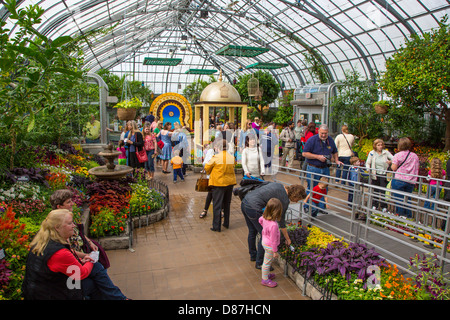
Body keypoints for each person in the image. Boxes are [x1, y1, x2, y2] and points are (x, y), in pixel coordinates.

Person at [21, 209, 128, 300]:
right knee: (94, 281)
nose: (73, 226)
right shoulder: (59, 253)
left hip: (43, 288)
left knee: (96, 272)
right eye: (69, 223)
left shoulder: (44, 241)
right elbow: (81, 273)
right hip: (52, 293)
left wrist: (83, 259)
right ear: (57, 227)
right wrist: (90, 259)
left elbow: (65, 265)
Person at [240, 182, 306, 269]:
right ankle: (260, 262)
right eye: (298, 199)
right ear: (295, 195)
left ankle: (253, 255)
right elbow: (281, 222)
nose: (297, 201)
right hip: (253, 207)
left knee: (252, 231)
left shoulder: (279, 185)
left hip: (245, 201)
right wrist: (288, 238)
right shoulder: (284, 200)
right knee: (265, 236)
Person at [204, 138, 237, 232]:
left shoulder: (216, 157)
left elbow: (207, 167)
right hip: (230, 183)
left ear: (218, 147)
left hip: (218, 183)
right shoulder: (231, 157)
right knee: (227, 204)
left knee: (217, 205)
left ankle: (216, 226)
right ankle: (226, 223)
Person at [302, 124, 342, 192]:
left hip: (325, 168)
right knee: (312, 188)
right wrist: (317, 157)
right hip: (313, 168)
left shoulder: (330, 140)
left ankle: (322, 202)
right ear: (318, 132)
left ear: (328, 132)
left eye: (325, 133)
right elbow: (304, 153)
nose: (323, 135)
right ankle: (309, 202)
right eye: (322, 133)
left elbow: (335, 151)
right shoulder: (312, 140)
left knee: (324, 188)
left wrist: (337, 160)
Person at [390, 137, 419, 218]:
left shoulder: (397, 155)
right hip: (411, 180)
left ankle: (400, 216)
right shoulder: (414, 156)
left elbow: (394, 168)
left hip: (399, 179)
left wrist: (390, 163)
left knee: (399, 199)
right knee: (407, 199)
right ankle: (408, 216)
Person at [258, 198, 282, 288]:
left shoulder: (264, 217)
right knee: (267, 263)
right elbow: (273, 239)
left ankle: (266, 274)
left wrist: (264, 228)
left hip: (265, 241)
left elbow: (259, 220)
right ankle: (265, 279)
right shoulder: (274, 225)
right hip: (270, 246)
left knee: (267, 260)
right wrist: (275, 251)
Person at [365, 139, 393, 211]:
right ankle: (375, 205)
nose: (380, 147)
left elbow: (394, 159)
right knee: (376, 190)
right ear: (375, 146)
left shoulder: (385, 152)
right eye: (378, 145)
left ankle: (384, 206)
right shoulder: (372, 153)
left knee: (383, 191)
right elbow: (368, 163)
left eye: (381, 145)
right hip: (375, 174)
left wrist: (390, 161)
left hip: (383, 173)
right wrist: (368, 169)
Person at [200, 141, 216, 219]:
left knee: (220, 194)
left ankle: (222, 210)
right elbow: (205, 163)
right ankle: (205, 209)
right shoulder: (211, 151)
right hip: (211, 176)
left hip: (220, 177)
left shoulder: (223, 153)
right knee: (210, 193)